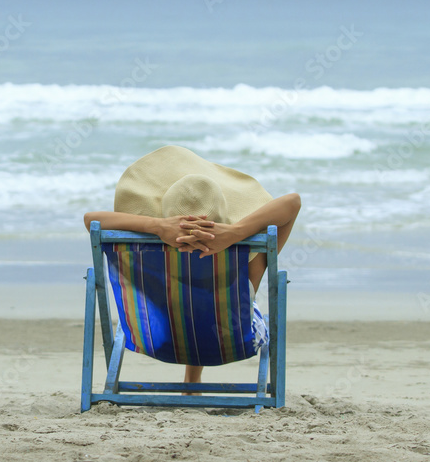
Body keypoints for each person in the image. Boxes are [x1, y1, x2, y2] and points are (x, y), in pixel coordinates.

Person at [83, 145, 301, 384]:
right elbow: (293, 202)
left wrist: (156, 226)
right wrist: (235, 233)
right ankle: (191, 381)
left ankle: (191, 382)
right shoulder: (244, 261)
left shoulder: (148, 260)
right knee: (211, 300)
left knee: (184, 298)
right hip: (232, 341)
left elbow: (91, 220)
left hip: (159, 338)